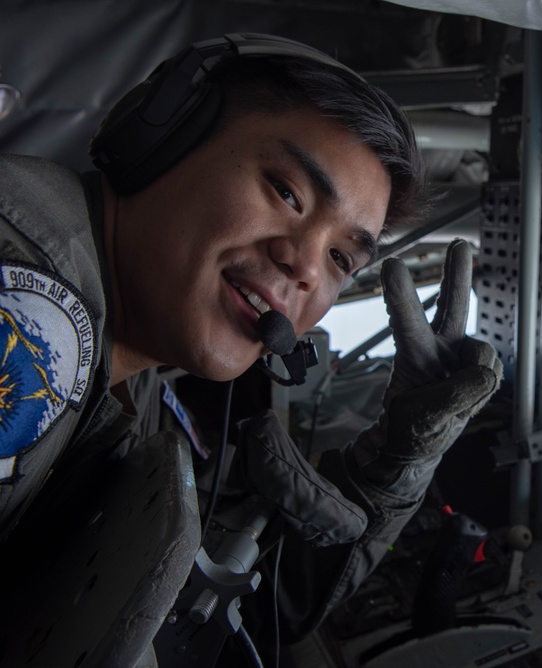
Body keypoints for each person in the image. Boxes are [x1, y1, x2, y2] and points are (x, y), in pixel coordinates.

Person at [0, 33, 502, 663]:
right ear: (157, 143)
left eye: (341, 257)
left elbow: (264, 608)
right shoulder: (31, 303)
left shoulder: (138, 382)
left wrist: (395, 465)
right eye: (287, 192)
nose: (304, 268)